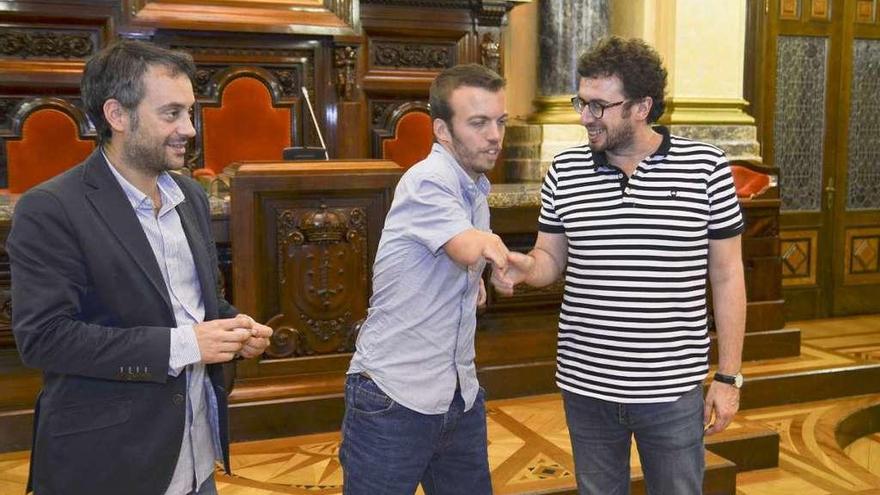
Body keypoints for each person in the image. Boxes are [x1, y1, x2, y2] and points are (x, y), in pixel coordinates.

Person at [8, 40, 273, 495]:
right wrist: (186, 344)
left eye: (190, 113)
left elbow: (184, 303)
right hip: (109, 465)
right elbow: (44, 338)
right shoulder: (50, 208)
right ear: (117, 115)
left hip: (196, 451)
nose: (189, 130)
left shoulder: (188, 196)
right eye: (171, 114)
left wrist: (231, 325)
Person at [491, 36, 746, 494]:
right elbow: (551, 258)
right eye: (581, 102)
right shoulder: (565, 171)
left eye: (598, 106)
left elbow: (728, 277)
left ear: (642, 106)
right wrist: (524, 267)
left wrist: (728, 377)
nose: (584, 116)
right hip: (586, 385)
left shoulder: (706, 167)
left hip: (671, 390)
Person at [339, 63, 510, 495]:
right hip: (394, 399)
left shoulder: (475, 188)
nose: (495, 135)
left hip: (459, 394)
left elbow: (455, 264)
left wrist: (474, 286)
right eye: (479, 123)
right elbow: (466, 247)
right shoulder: (427, 179)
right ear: (442, 130)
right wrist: (504, 258)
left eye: (500, 122)